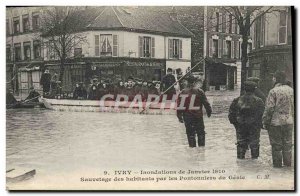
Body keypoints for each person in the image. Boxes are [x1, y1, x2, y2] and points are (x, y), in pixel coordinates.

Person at [262, 71, 294, 168]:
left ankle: (277, 167)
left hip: (276, 122)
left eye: (273, 78)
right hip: (289, 121)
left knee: (276, 146)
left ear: (276, 79)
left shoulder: (273, 91)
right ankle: (288, 165)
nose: (272, 79)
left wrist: (265, 121)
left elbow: (269, 108)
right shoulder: (291, 90)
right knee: (288, 144)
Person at [228, 81, 265, 159]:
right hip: (254, 126)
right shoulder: (259, 101)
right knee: (254, 144)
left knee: (241, 144)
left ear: (244, 89)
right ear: (254, 90)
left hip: (241, 125)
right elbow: (262, 115)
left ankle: (241, 163)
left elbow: (231, 115)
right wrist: (260, 125)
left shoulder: (237, 100)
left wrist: (236, 124)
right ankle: (255, 164)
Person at [177, 76, 212, 147]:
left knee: (190, 135)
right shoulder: (200, 91)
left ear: (186, 82)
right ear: (195, 82)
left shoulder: (183, 92)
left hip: (187, 117)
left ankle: (193, 152)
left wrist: (179, 117)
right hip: (198, 116)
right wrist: (209, 112)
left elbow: (180, 106)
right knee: (201, 133)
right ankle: (201, 152)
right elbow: (206, 104)